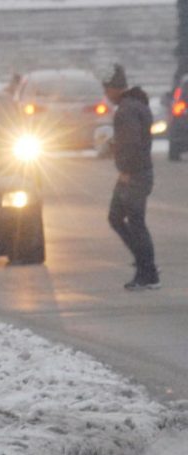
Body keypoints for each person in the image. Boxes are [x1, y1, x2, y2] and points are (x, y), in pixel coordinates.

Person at [102, 64, 160, 290]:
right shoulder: (136, 105)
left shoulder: (126, 110)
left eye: (107, 90)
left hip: (133, 174)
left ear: (116, 89)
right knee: (118, 217)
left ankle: (148, 271)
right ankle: (144, 262)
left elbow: (133, 142)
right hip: (139, 171)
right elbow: (133, 139)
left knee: (134, 222)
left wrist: (126, 169)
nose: (106, 96)